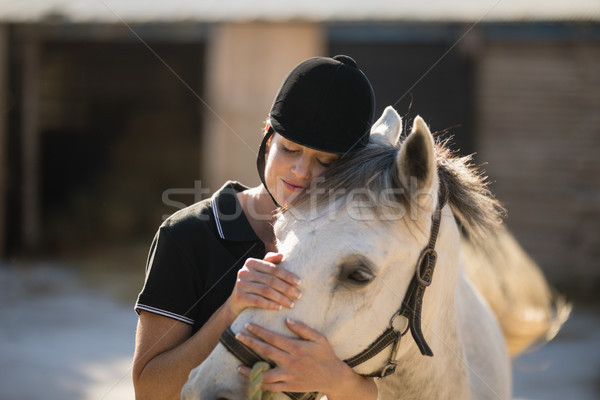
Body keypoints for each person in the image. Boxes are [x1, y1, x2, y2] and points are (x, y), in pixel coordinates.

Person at [132, 55, 378, 400]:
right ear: (267, 136)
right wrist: (231, 309)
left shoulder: (352, 254)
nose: (301, 172)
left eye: (325, 162)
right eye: (290, 149)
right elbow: (148, 389)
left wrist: (339, 382)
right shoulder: (186, 235)